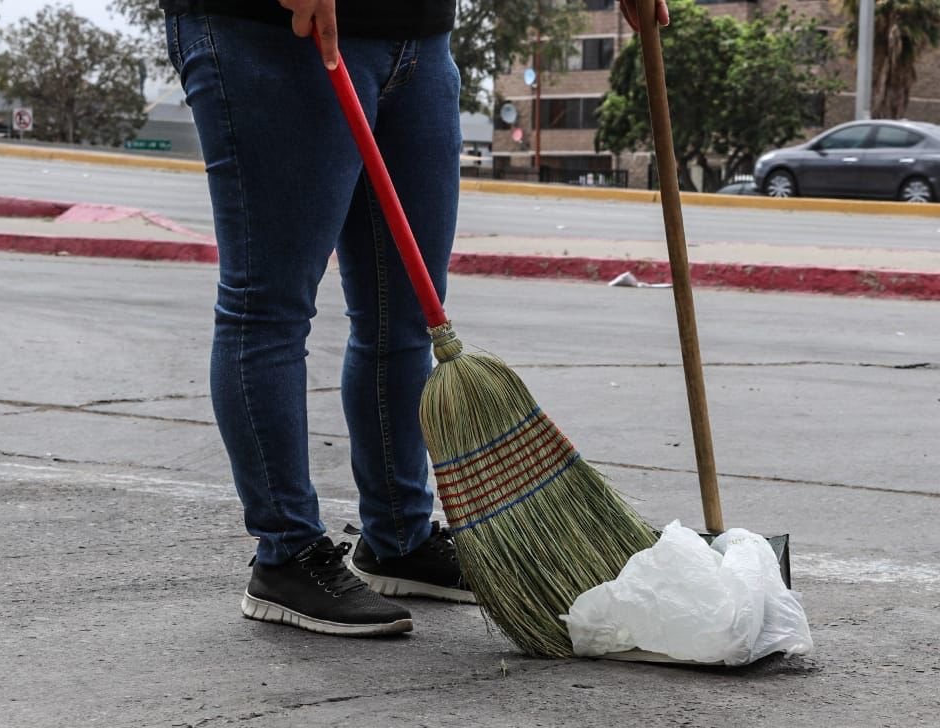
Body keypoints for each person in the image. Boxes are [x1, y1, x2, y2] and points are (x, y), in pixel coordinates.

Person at [160, 0, 667, 638]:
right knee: (270, 306)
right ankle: (286, 556)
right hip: (274, 32)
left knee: (401, 315)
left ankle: (397, 540)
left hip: (418, 40)